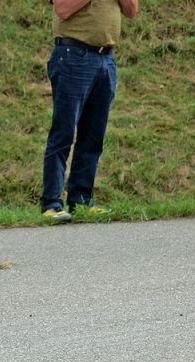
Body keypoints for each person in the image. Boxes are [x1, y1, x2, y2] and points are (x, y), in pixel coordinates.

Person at [40, 0, 139, 223]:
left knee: (93, 136)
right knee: (64, 132)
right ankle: (51, 203)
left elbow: (132, 11)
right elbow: (63, 9)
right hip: (74, 53)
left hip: (106, 58)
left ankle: (81, 199)